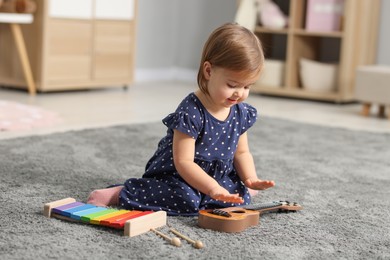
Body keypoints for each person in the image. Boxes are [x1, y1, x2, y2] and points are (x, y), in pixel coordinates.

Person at [87, 22, 275, 216]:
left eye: (247, 87)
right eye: (232, 84)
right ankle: (121, 193)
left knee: (238, 197)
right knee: (187, 201)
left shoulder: (240, 112)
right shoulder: (191, 112)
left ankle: (232, 190)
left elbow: (241, 153)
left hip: (216, 176)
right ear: (208, 71)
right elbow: (184, 162)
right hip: (177, 175)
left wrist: (250, 178)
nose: (239, 94)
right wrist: (211, 188)